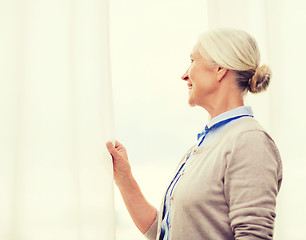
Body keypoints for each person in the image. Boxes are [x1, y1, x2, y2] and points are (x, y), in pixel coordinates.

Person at [106, 28, 283, 240]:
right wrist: (124, 178)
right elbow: (164, 233)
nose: (184, 74)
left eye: (192, 60)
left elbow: (253, 236)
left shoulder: (249, 140)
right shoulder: (206, 145)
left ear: (220, 69)